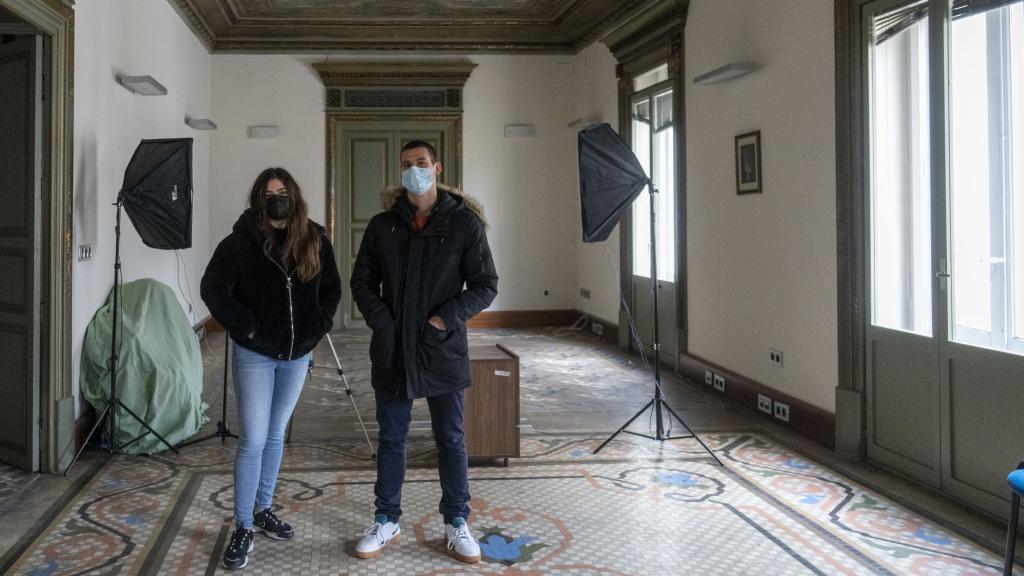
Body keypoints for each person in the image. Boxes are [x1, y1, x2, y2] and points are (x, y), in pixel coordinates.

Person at [350, 140, 498, 563]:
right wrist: (384, 320)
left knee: (450, 438)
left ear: (436, 168)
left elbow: (485, 284)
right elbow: (361, 281)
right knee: (392, 437)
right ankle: (386, 519)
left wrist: (443, 320)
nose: (412, 170)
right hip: (394, 347)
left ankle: (456, 521)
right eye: (405, 165)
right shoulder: (383, 226)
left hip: (441, 348)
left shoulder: (463, 224)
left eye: (419, 163)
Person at [200, 167, 341, 570]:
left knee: (276, 433)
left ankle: (263, 509)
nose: (276, 198)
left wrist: (319, 325)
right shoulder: (241, 241)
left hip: (298, 355)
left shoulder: (314, 238)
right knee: (254, 439)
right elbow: (212, 288)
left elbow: (331, 287)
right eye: (268, 193)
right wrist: (245, 325)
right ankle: (243, 524)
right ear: (258, 200)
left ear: (293, 196)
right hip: (255, 354)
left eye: (282, 192)